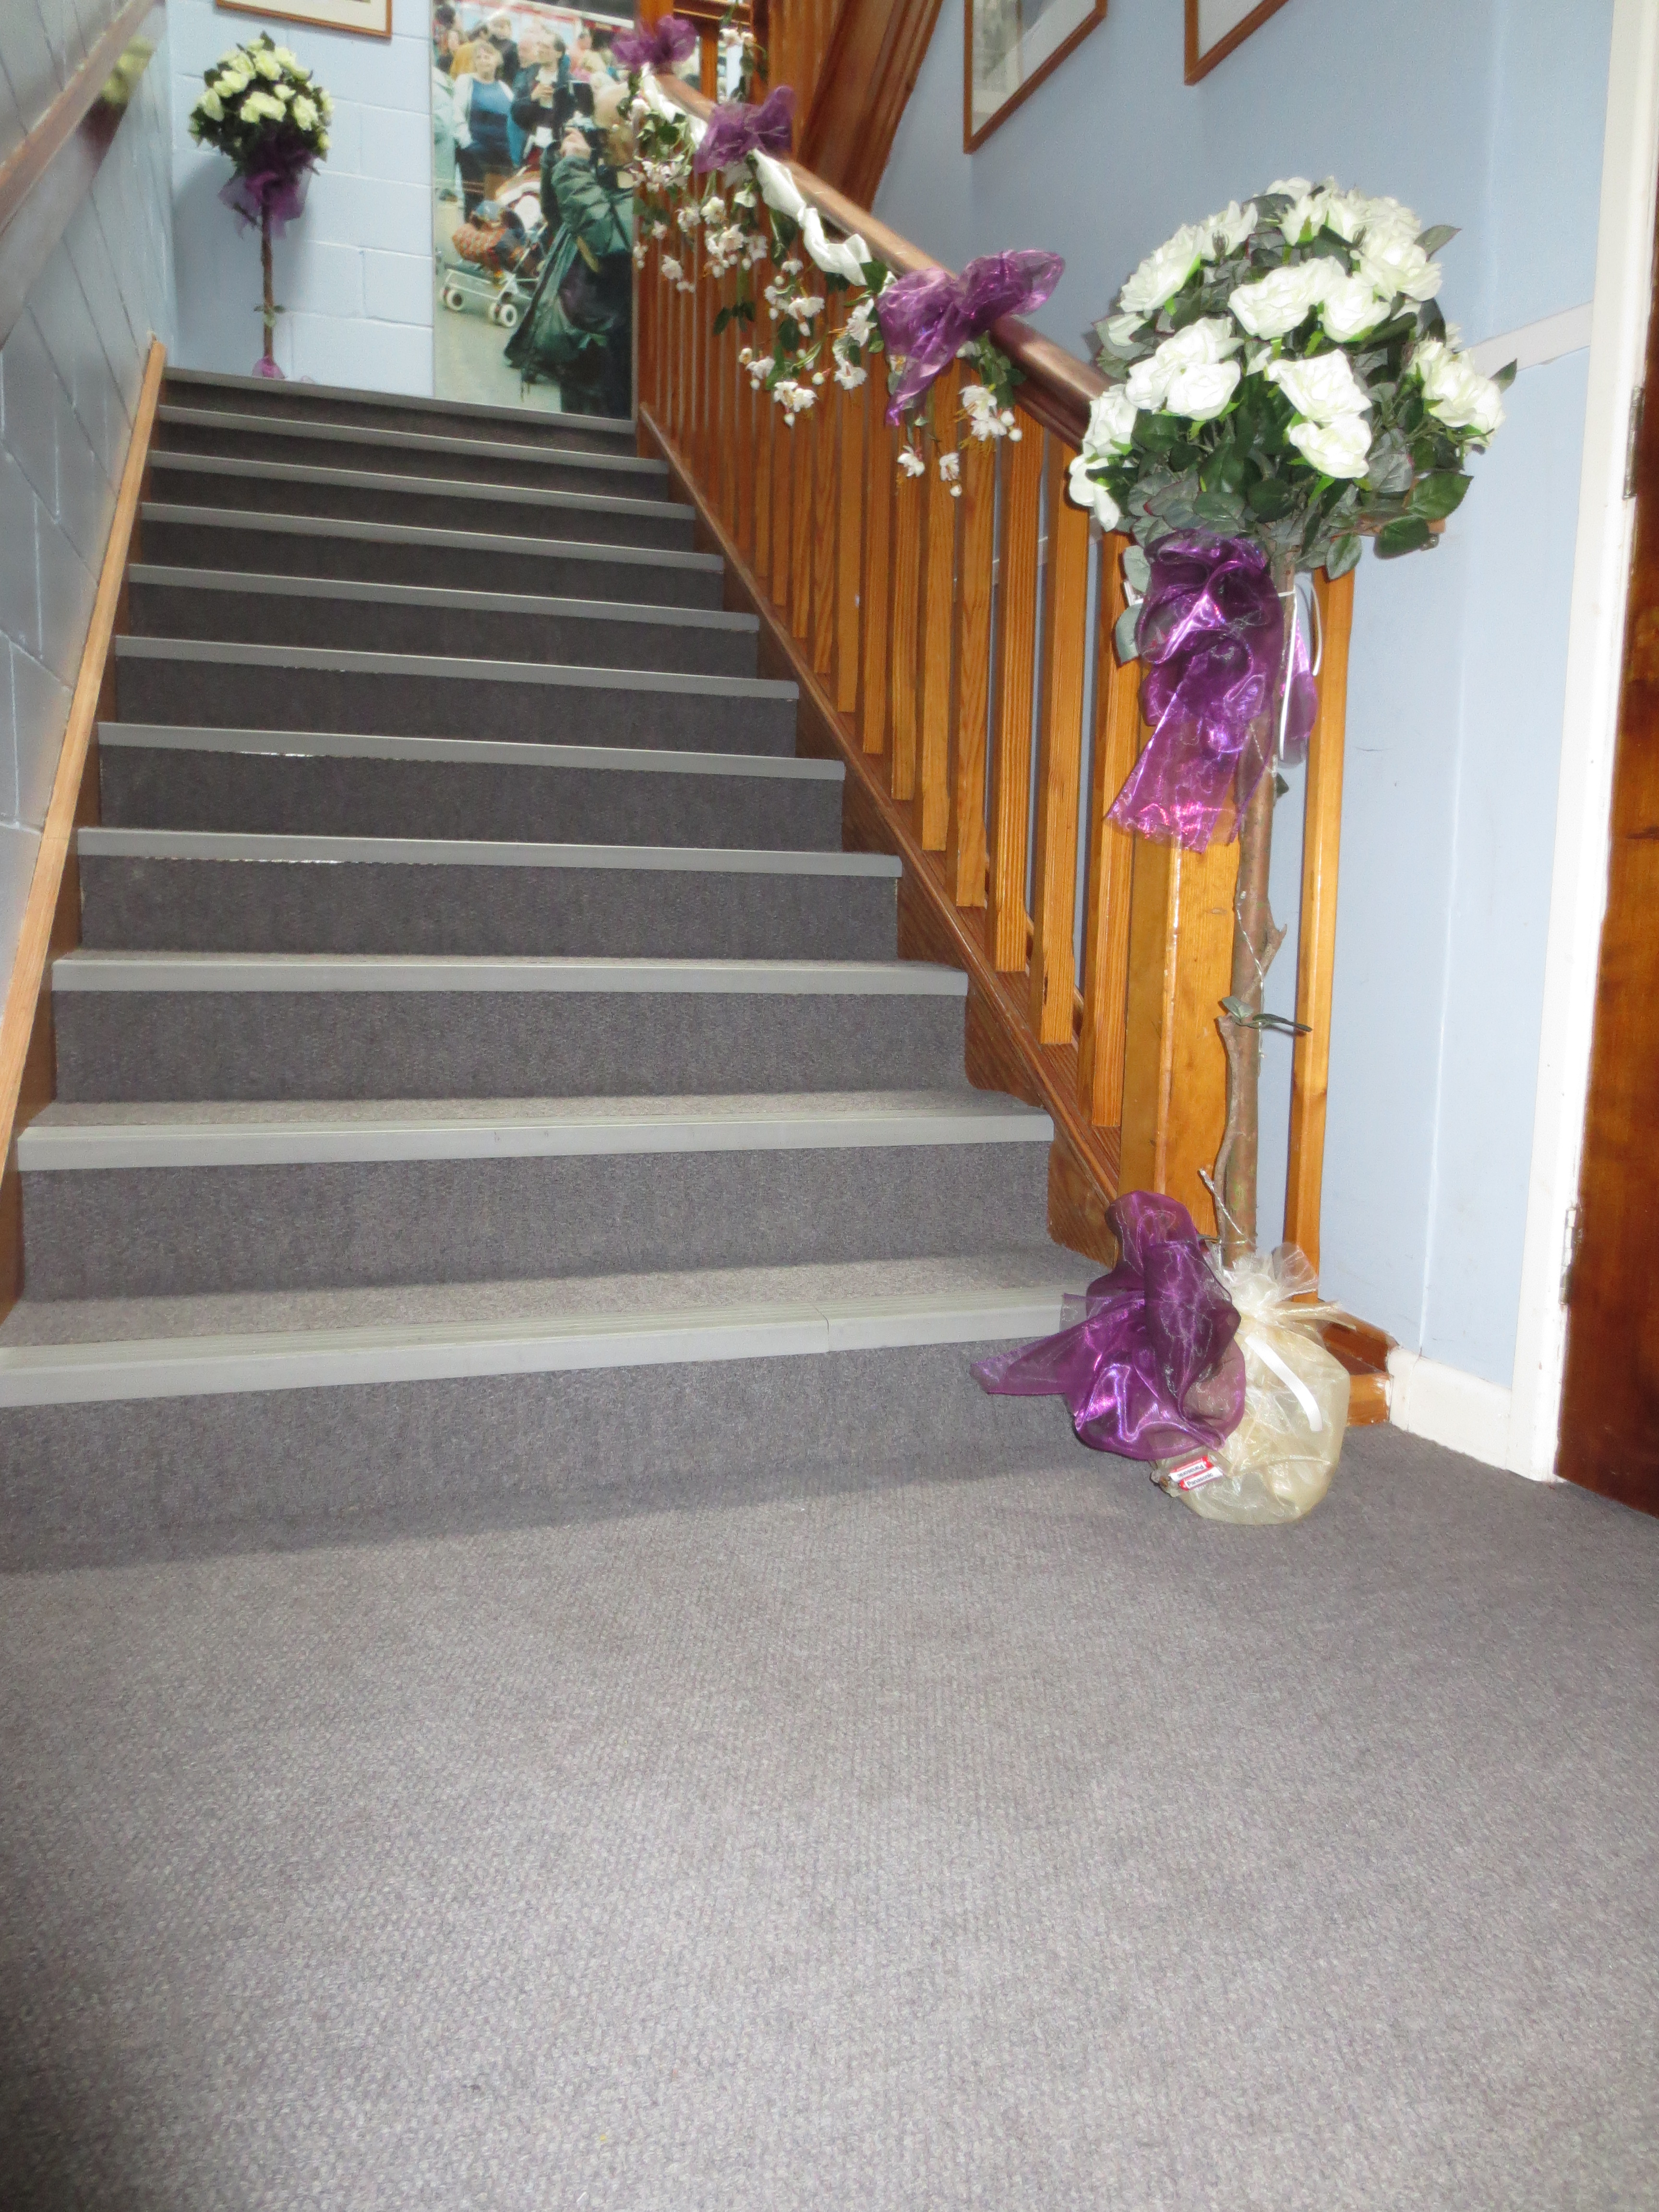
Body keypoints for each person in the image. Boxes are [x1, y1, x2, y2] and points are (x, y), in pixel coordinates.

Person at [505, 80, 633, 419]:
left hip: (605, 359)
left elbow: (608, 245)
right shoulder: (608, 176)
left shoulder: (652, 193)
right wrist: (556, 160)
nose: (599, 140)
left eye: (605, 132)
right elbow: (558, 216)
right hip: (579, 349)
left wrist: (576, 170)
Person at [451, 36, 514, 217]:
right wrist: (469, 145)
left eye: (488, 56)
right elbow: (457, 115)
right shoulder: (466, 82)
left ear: (497, 61)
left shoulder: (504, 88)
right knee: (476, 207)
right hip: (474, 157)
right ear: (474, 63)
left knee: (498, 207)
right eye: (479, 57)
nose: (484, 60)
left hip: (501, 160)